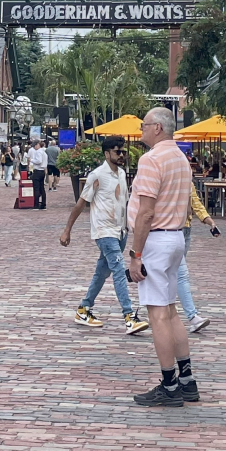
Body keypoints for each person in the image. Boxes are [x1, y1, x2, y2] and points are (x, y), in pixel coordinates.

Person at [125, 107, 199, 406]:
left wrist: (135, 253)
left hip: (156, 239)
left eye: (144, 125)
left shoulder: (152, 159)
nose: (141, 130)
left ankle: (169, 386)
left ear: (157, 127)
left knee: (157, 313)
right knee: (170, 310)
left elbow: (145, 212)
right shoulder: (180, 158)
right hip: (176, 237)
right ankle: (186, 379)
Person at [61, 136, 148, 333]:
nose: (122, 155)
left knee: (102, 272)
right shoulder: (97, 175)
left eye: (123, 151)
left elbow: (125, 204)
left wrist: (131, 226)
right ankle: (129, 316)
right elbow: (81, 203)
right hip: (104, 231)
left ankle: (84, 309)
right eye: (118, 151)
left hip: (120, 232)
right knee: (118, 270)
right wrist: (67, 230)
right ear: (107, 153)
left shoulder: (122, 174)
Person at [177, 175, 220, 333]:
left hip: (186, 230)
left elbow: (196, 203)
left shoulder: (187, 183)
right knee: (181, 275)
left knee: (172, 275)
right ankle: (192, 316)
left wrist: (210, 222)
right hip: (173, 230)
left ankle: (159, 312)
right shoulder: (168, 181)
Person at [28, 141, 48, 209]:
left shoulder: (38, 152)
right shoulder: (44, 152)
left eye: (34, 146)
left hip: (38, 170)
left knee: (36, 188)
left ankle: (36, 204)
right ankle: (43, 204)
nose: (34, 147)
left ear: (38, 145)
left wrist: (32, 160)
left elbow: (39, 161)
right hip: (42, 171)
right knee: (42, 188)